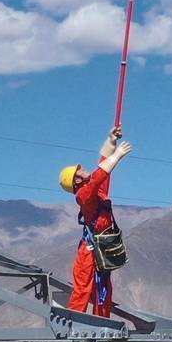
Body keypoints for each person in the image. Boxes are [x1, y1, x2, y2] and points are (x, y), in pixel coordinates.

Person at [59, 130, 131, 315]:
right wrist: (117, 156)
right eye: (79, 170)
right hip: (90, 250)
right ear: (77, 179)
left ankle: (103, 322)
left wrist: (111, 140)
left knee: (103, 288)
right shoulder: (84, 194)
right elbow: (101, 172)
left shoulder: (95, 190)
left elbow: (102, 165)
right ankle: (74, 322)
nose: (84, 168)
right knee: (83, 287)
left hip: (102, 246)